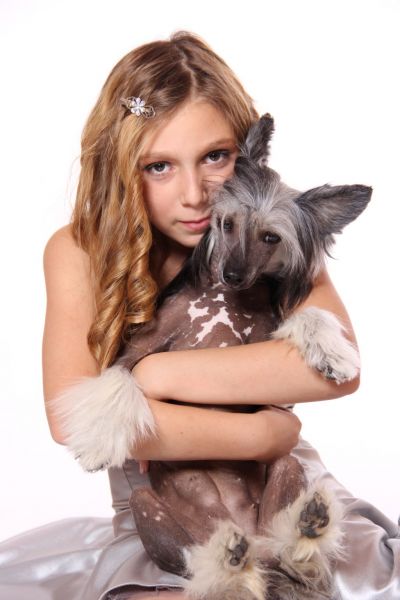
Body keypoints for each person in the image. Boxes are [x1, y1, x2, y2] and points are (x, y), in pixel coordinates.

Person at [0, 30, 398, 600]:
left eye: (215, 157)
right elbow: (74, 422)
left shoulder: (273, 239)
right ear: (119, 165)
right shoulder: (79, 251)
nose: (195, 195)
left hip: (286, 501)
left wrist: (156, 377)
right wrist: (261, 433)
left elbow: (336, 370)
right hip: (170, 512)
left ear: (249, 153)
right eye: (159, 166)